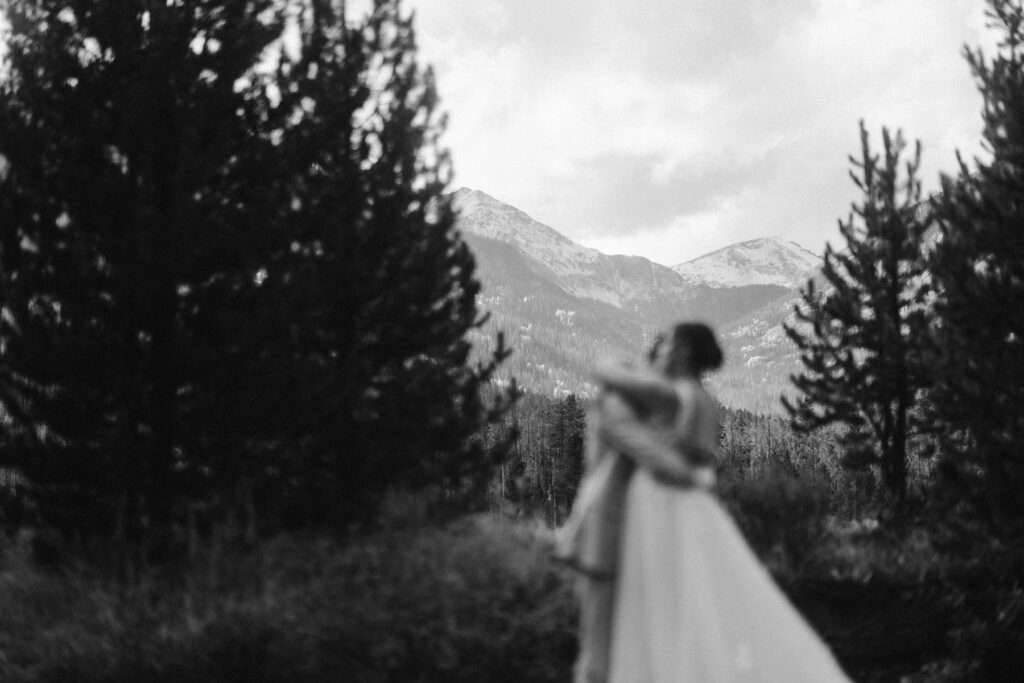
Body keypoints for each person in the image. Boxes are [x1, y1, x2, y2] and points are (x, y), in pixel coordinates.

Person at [571, 322, 851, 683]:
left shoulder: (683, 395)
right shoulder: (694, 394)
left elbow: (689, 457)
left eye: (668, 341)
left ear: (684, 351)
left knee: (662, 602)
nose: (660, 348)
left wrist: (680, 470)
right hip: (663, 499)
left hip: (662, 502)